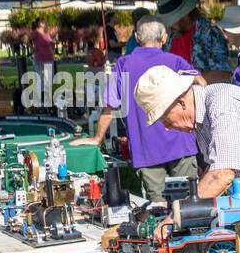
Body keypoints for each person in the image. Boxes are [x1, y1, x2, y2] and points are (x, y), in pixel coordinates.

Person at [76, 17, 201, 202]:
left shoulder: (124, 64)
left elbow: (110, 105)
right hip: (181, 142)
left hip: (146, 147)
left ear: (137, 37)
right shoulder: (175, 61)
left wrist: (97, 138)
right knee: (189, 202)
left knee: (158, 207)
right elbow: (202, 84)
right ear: (165, 38)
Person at [133, 66, 240, 199]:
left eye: (166, 119)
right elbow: (216, 170)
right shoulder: (202, 116)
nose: (167, 127)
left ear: (180, 103)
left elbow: (222, 175)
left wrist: (179, 216)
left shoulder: (223, 106)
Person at [153, 0, 232, 82]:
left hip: (201, 94)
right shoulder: (169, 35)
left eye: (171, 21)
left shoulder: (210, 33)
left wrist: (187, 80)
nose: (169, 26)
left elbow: (224, 74)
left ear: (185, 15)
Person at [30, 18, 55, 109]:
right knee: (40, 81)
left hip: (49, 58)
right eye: (42, 22)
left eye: (45, 22)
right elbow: (26, 39)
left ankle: (48, 102)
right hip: (39, 59)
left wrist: (53, 44)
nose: (44, 23)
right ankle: (38, 102)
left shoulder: (46, 33)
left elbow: (49, 43)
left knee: (48, 81)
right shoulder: (35, 33)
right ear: (39, 23)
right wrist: (31, 47)